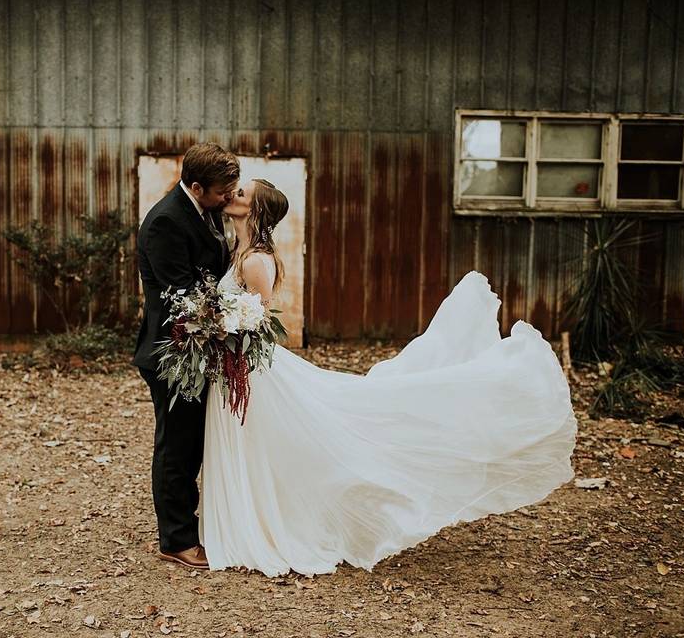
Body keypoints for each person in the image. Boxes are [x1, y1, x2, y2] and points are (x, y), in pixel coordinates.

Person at [199, 178, 578, 577]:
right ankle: (247, 517)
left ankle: (282, 521)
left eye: (241, 193)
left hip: (249, 369)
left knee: (282, 442)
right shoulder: (239, 251)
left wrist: (217, 327)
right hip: (232, 367)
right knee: (260, 445)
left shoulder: (257, 261)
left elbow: (256, 320)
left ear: (255, 211)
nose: (232, 195)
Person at [132, 142, 239, 569]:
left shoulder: (206, 209)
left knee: (194, 441)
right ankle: (175, 539)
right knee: (177, 446)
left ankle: (190, 526)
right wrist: (232, 313)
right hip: (171, 353)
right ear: (196, 186)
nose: (228, 198)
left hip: (199, 350)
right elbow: (182, 295)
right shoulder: (165, 223)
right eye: (221, 192)